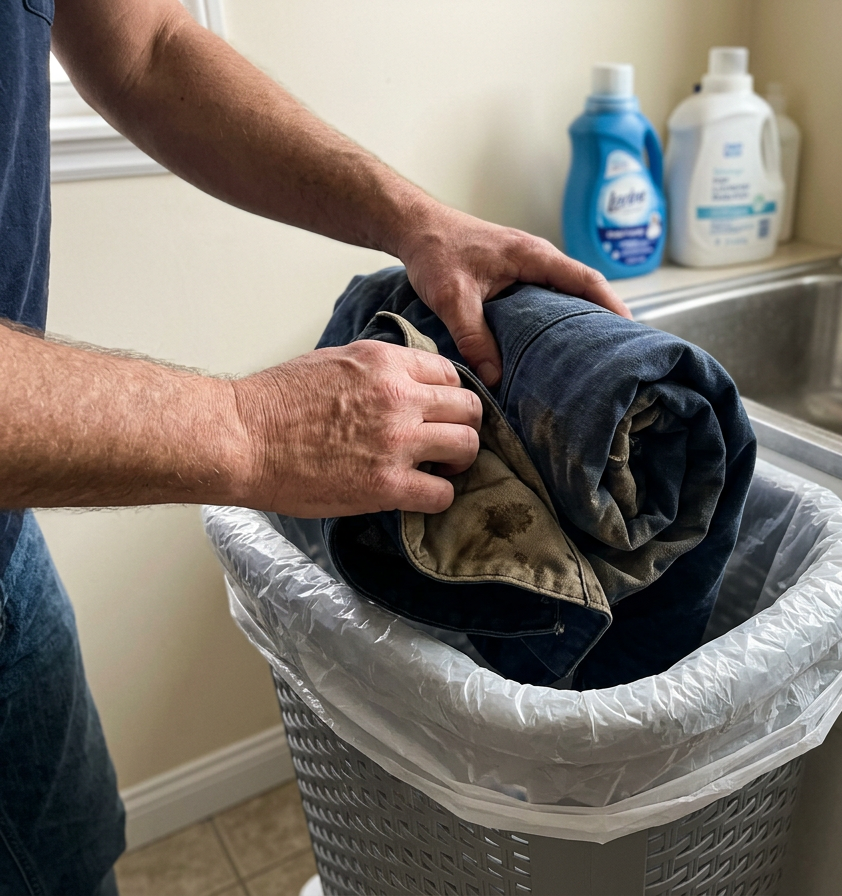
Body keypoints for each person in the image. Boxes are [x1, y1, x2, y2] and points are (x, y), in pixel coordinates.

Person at [0, 0, 630, 892]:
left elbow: (149, 44)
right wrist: (251, 429)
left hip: (7, 552)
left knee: (70, 859)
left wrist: (416, 218)